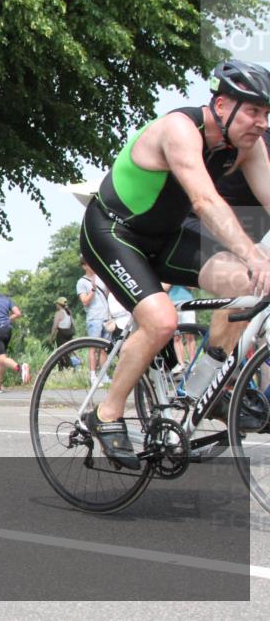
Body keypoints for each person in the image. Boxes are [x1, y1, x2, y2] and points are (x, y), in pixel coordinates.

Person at [79, 59, 270, 469]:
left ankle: (209, 386)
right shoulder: (179, 129)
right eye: (254, 111)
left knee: (247, 286)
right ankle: (107, 413)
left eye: (266, 113)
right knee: (162, 320)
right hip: (115, 232)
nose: (262, 123)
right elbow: (205, 201)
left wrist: (254, 266)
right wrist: (255, 256)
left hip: (165, 237)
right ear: (222, 105)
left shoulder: (248, 147)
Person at [77, 257, 111, 385]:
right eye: (89, 264)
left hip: (106, 317)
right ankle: (92, 376)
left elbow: (108, 295)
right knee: (93, 347)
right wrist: (93, 289)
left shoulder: (101, 278)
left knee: (104, 348)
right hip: (94, 318)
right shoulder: (81, 282)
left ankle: (104, 375)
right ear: (84, 266)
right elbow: (85, 301)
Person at [167, 284, 198, 367]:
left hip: (187, 304)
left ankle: (193, 363)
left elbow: (193, 286)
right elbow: (163, 288)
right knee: (177, 336)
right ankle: (181, 364)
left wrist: (179, 279)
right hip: (172, 305)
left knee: (190, 335)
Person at [50, 297, 75, 369]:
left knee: (60, 353)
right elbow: (73, 323)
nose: (56, 305)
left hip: (61, 335)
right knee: (67, 352)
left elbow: (55, 327)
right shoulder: (69, 312)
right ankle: (68, 368)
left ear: (59, 304)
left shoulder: (58, 313)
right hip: (69, 335)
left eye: (56, 304)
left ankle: (67, 368)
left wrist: (51, 337)